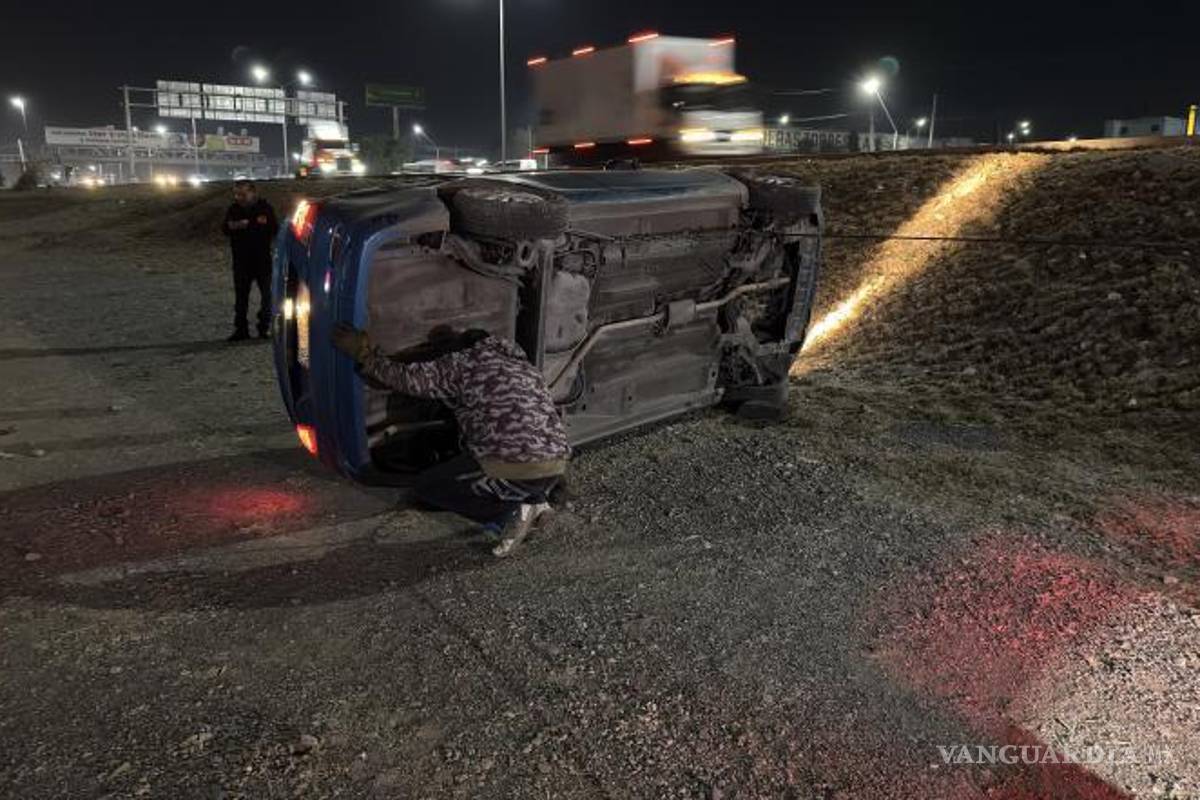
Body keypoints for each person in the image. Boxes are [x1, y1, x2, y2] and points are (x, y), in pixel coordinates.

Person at [331, 324, 570, 557]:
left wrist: (365, 355)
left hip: (515, 463)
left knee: (429, 486)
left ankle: (509, 514)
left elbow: (407, 379)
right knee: (512, 454)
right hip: (556, 463)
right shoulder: (525, 367)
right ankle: (539, 503)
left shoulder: (464, 363)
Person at [222, 179, 278, 341]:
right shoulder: (233, 209)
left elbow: (274, 228)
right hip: (241, 261)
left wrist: (251, 225)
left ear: (253, 193)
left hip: (262, 261)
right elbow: (224, 228)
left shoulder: (265, 208)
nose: (238, 197)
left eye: (242, 194)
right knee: (241, 298)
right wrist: (235, 225)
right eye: (236, 194)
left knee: (268, 297)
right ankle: (241, 329)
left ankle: (264, 327)